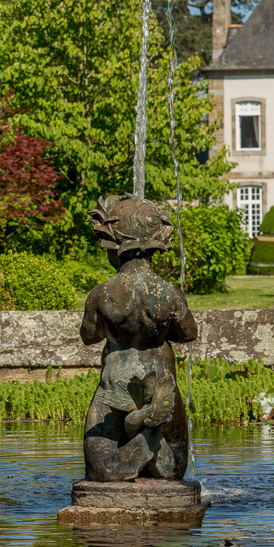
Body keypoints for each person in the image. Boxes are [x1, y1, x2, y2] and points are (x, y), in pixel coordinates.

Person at [80, 195, 197, 482]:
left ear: (116, 248)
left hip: (114, 390)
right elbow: (188, 334)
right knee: (174, 472)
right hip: (161, 389)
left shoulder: (101, 294)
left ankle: (136, 433)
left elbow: (89, 336)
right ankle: (151, 437)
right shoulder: (168, 293)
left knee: (99, 470)